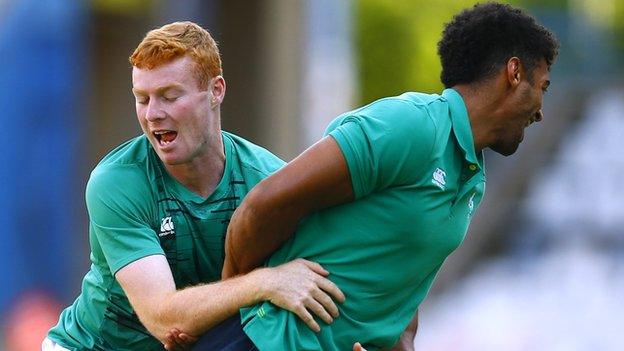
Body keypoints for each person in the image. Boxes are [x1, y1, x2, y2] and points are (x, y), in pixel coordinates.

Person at [215, 3, 559, 351]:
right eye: (543, 87)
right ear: (514, 73)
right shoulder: (411, 126)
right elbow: (264, 204)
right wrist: (229, 300)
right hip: (262, 341)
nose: (541, 111)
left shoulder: (473, 178)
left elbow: (403, 293)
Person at [44, 21, 347, 351]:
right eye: (142, 99)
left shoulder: (268, 181)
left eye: (170, 96)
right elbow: (164, 317)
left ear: (216, 91)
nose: (153, 114)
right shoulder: (117, 182)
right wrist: (266, 282)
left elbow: (313, 284)